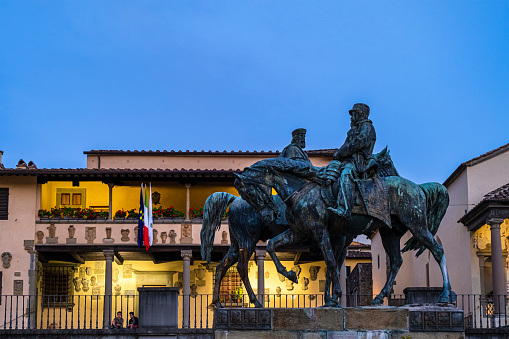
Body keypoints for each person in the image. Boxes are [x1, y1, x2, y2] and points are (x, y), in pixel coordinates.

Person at [328, 103, 376, 219]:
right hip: (347, 160)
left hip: (359, 162)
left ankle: (344, 209)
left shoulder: (367, 127)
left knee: (346, 174)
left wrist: (341, 152)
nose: (351, 117)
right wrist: (338, 154)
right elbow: (346, 144)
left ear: (361, 114)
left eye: (353, 113)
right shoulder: (353, 130)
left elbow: (360, 142)